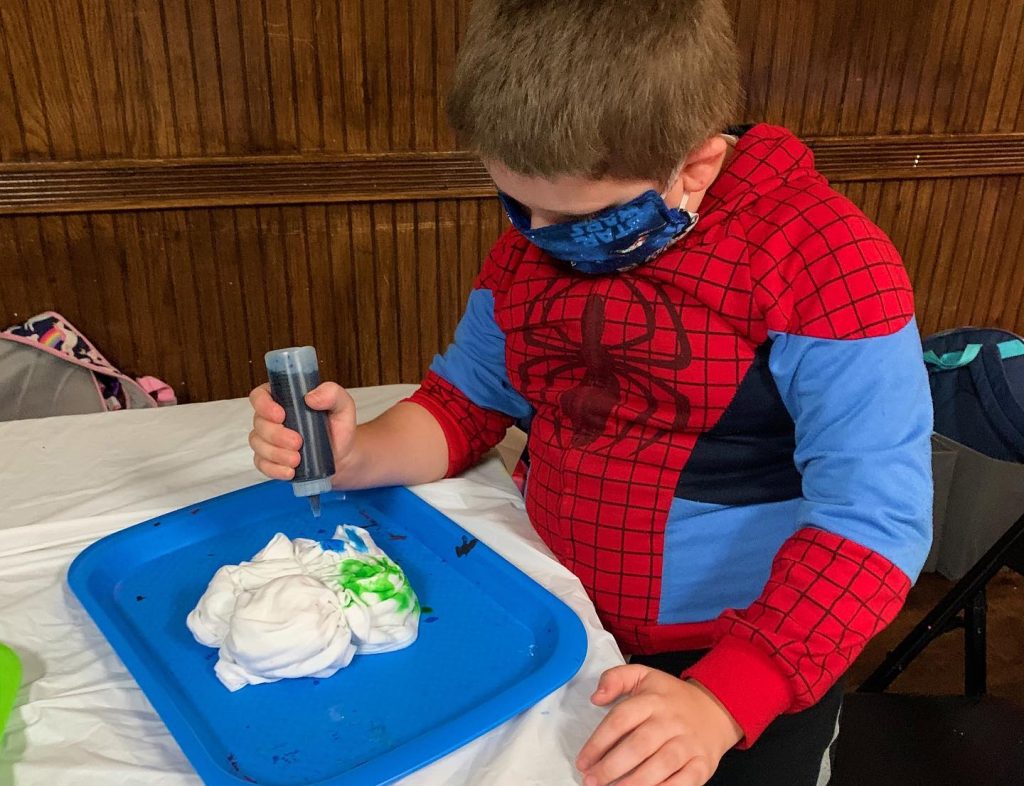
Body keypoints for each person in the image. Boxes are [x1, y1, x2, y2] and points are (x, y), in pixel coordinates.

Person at [248, 2, 933, 784]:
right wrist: (355, 451)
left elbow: (875, 520)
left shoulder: (829, 266)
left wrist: (723, 699)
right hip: (554, 613)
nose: (539, 239)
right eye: (517, 207)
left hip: (748, 655)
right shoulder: (548, 231)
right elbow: (468, 403)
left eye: (584, 222)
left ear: (696, 166)